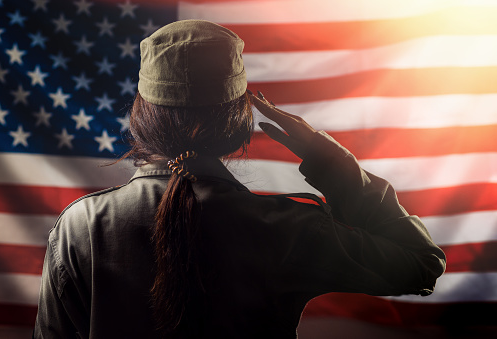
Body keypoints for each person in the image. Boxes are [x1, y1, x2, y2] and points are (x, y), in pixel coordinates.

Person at [34, 20, 446, 338]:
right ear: (238, 118)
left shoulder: (81, 226)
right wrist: (331, 162)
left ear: (142, 114)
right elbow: (421, 263)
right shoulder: (286, 227)